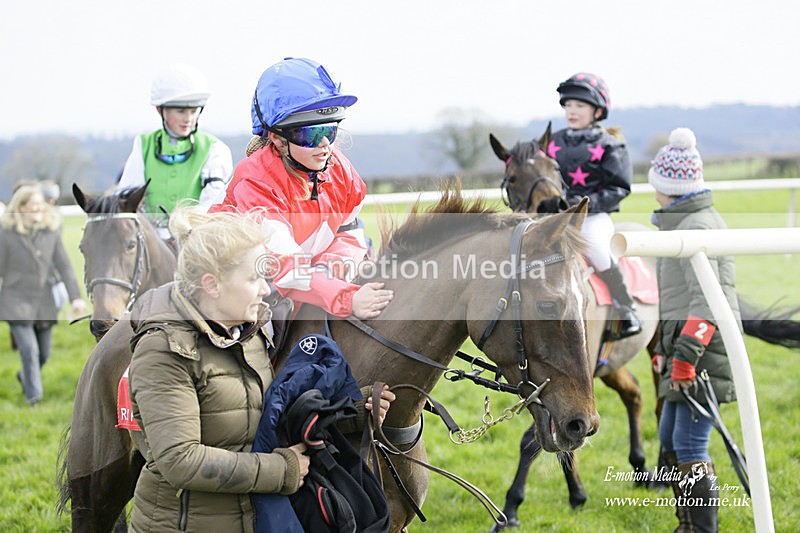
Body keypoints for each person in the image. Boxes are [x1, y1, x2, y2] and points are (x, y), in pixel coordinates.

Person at [127, 207, 394, 531]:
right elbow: (180, 461)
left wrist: (352, 411)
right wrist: (282, 470)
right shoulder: (164, 351)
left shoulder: (247, 334)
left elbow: (271, 416)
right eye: (254, 278)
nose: (266, 290)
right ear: (212, 285)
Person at [210, 57, 391, 319]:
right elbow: (284, 268)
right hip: (237, 282)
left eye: (330, 130)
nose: (325, 145)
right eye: (311, 135)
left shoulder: (339, 167)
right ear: (277, 139)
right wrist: (346, 298)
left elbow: (351, 233)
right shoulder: (255, 181)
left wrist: (332, 269)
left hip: (302, 275)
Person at [650, 128, 739, 532]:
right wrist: (665, 351)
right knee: (669, 439)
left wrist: (683, 359)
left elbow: (704, 304)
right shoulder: (679, 224)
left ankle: (701, 530)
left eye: (657, 186)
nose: (653, 193)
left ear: (670, 188)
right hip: (683, 353)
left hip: (703, 357)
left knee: (688, 444)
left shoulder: (696, 229)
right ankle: (686, 523)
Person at [548, 72, 641, 338]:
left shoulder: (611, 145)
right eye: (568, 105)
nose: (571, 111)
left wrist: (584, 205)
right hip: (556, 217)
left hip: (593, 218)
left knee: (598, 249)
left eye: (579, 106)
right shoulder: (551, 143)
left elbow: (619, 188)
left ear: (597, 111)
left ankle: (627, 308)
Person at [118, 63, 233, 235]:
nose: (188, 119)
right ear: (160, 111)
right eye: (180, 111)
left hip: (195, 237)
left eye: (193, 111)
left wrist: (184, 230)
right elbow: (126, 196)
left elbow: (213, 201)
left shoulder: (215, 149)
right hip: (151, 239)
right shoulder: (143, 144)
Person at [0, 185, 87, 405]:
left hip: (44, 301)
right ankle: (33, 399)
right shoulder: (6, 234)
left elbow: (65, 266)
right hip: (15, 301)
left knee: (44, 353)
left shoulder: (51, 232)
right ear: (20, 208)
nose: (39, 209)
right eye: (33, 205)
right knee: (29, 350)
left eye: (41, 205)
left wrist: (76, 298)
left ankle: (26, 378)